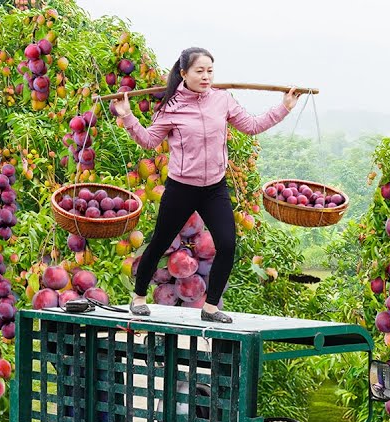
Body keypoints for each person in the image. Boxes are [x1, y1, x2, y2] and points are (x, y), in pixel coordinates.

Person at [112, 47, 298, 323]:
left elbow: (252, 125)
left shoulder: (222, 100)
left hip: (214, 187)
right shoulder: (172, 106)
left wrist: (284, 108)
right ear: (184, 73)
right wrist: (127, 116)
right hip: (181, 188)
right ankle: (139, 297)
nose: (206, 76)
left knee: (227, 243)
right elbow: (149, 140)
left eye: (210, 71)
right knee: (160, 242)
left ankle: (210, 308)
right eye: (199, 71)